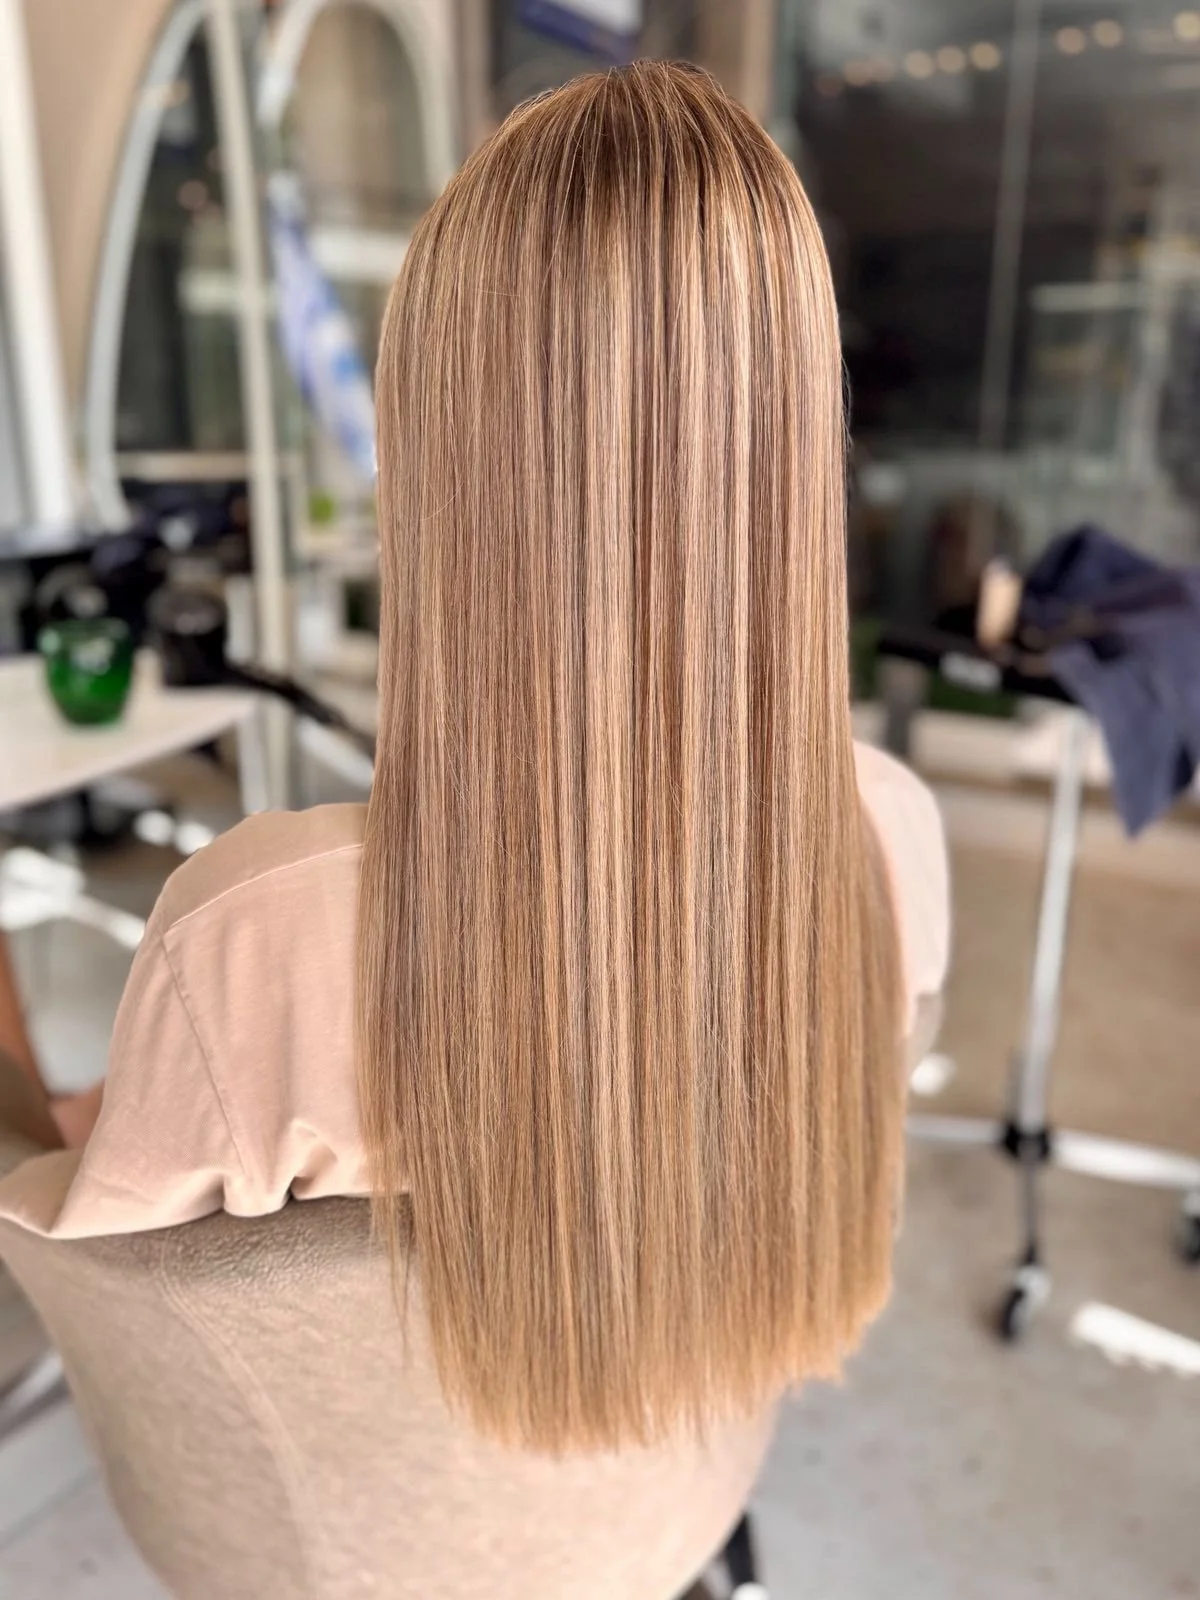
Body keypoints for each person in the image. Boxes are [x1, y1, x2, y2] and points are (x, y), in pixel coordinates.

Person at [0, 63, 948, 1452]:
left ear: (437, 445)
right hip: (680, 1461)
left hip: (347, 1507)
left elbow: (93, 1248)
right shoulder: (894, 832)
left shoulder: (256, 936)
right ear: (789, 442)